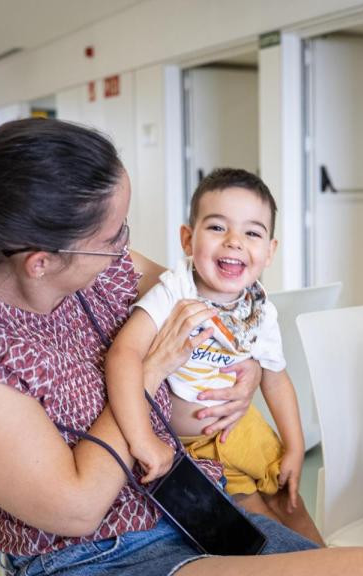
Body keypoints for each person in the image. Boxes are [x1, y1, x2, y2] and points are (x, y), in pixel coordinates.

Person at [0, 118, 363, 576]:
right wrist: (146, 370)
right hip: (97, 556)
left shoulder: (104, 269)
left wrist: (249, 365)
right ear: (41, 262)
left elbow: (211, 301)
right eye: (114, 236)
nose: (126, 248)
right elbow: (77, 508)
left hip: (197, 509)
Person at [106, 168, 321, 544]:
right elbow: (123, 353)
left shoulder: (259, 310)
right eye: (218, 227)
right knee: (256, 529)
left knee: (289, 505)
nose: (234, 242)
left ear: (270, 251)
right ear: (188, 239)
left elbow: (276, 379)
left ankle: (326, 560)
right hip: (192, 449)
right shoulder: (173, 292)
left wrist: (295, 445)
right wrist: (141, 439)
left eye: (252, 233)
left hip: (244, 431)